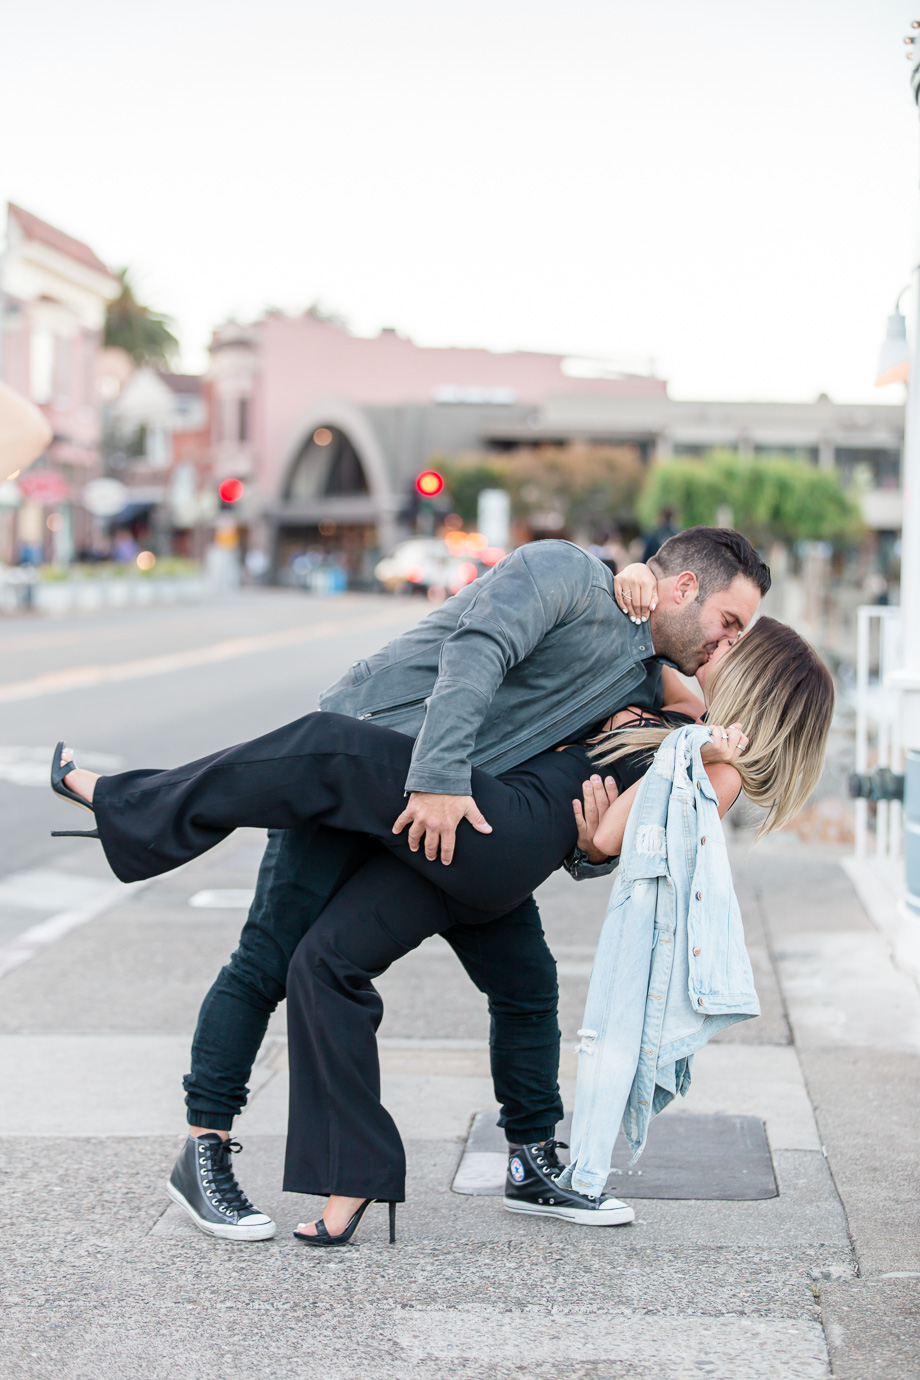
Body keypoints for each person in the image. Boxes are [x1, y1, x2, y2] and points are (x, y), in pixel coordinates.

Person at [53, 529, 770, 1238]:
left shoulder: (642, 678)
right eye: (727, 621)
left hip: (453, 822)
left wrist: (589, 852)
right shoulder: (566, 573)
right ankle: (203, 1150)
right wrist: (438, 778)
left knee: (526, 983)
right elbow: (477, 648)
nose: (726, 641)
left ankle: (529, 1159)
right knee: (268, 961)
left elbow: (590, 794)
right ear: (683, 588)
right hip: (380, 763)